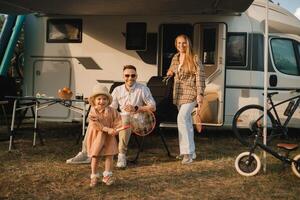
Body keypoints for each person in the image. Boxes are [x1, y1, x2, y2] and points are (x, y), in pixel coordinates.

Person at [66, 65, 156, 168]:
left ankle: (121, 154)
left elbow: (153, 106)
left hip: (138, 119)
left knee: (126, 118)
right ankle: (86, 153)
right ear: (123, 76)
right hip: (120, 118)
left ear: (136, 76)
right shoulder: (118, 89)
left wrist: (136, 108)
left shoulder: (143, 89)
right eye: (127, 75)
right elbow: (111, 107)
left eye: (133, 75)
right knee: (94, 120)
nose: (130, 78)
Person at [166, 34, 205, 164]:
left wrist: (200, 94)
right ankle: (192, 152)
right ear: (175, 44)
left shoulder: (194, 58)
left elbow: (200, 77)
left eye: (184, 43)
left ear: (188, 44)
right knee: (187, 123)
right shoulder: (176, 57)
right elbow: (172, 69)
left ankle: (186, 153)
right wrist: (170, 72)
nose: (181, 46)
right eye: (178, 43)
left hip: (191, 92)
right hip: (178, 93)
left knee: (181, 119)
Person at [86, 84, 125, 187]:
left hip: (109, 137)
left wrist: (116, 129)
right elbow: (96, 125)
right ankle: (94, 175)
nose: (101, 101)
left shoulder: (112, 111)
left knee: (109, 155)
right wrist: (108, 129)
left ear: (108, 100)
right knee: (95, 156)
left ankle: (107, 176)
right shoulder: (92, 112)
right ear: (94, 100)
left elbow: (118, 120)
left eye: (104, 99)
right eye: (99, 99)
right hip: (96, 136)